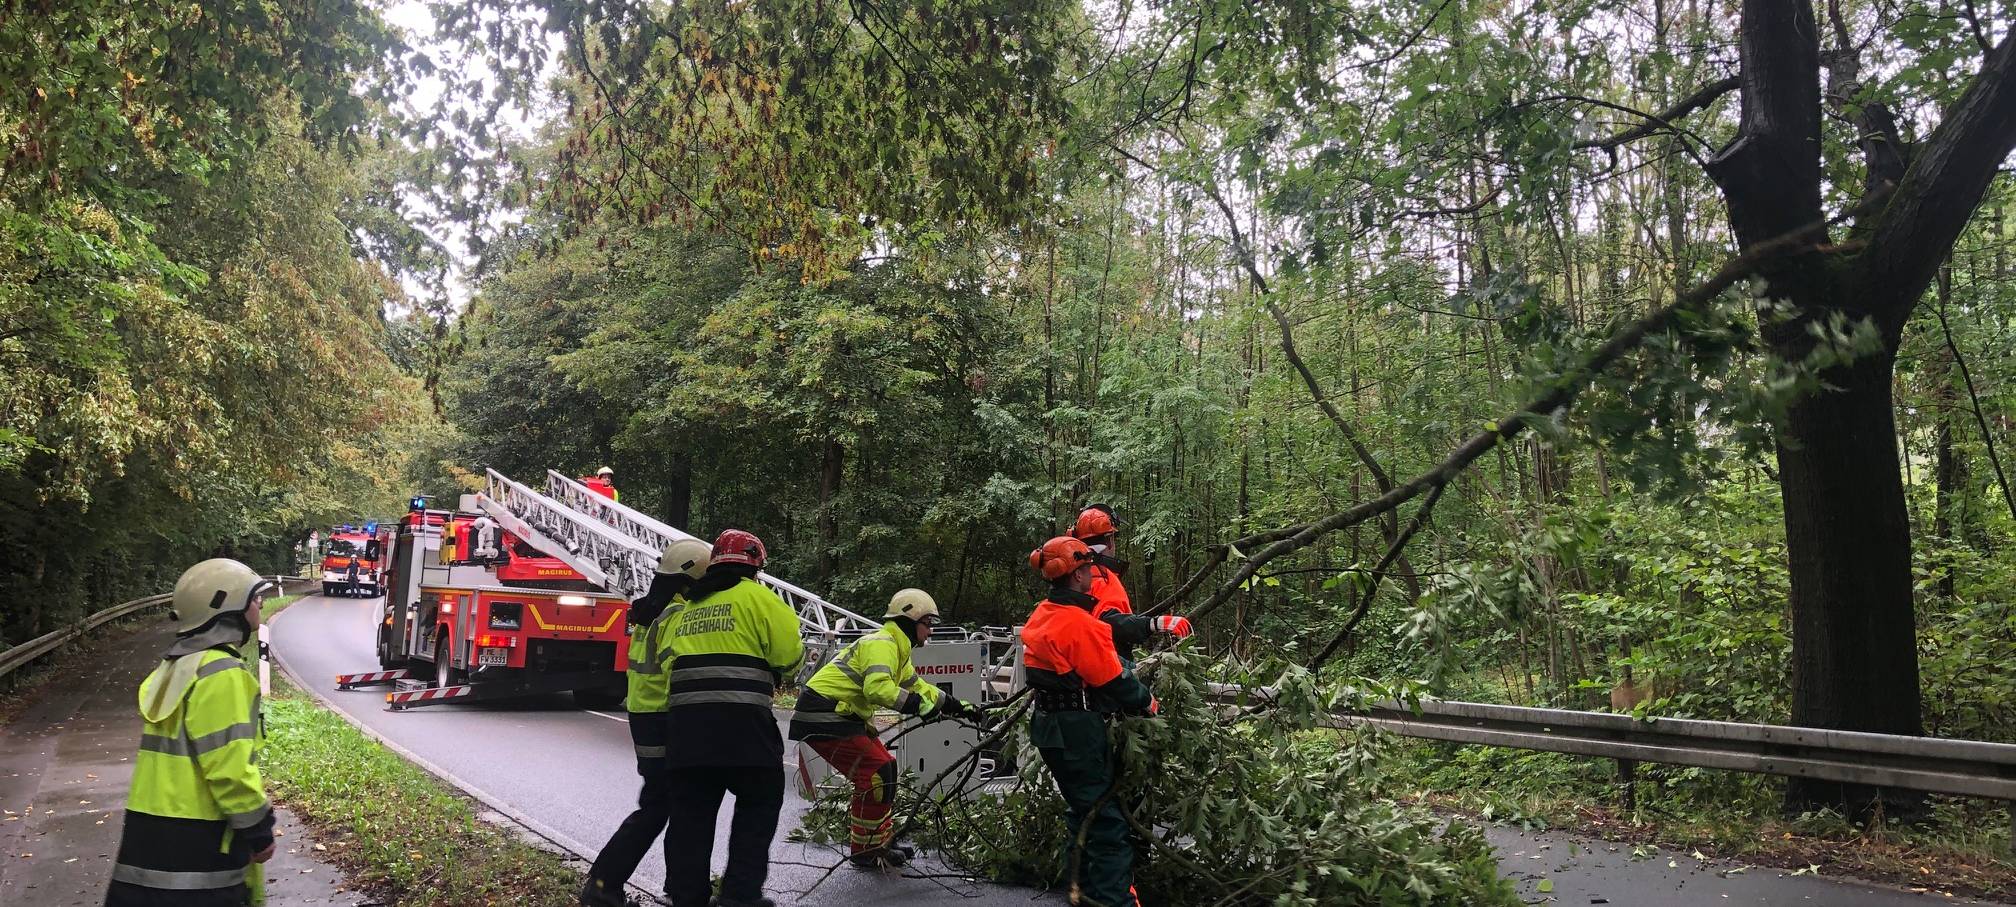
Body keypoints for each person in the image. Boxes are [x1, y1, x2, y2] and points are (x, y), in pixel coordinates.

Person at [106, 559, 279, 907]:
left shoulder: (177, 667)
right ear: (226, 605)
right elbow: (229, 770)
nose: (259, 605)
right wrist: (259, 830)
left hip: (148, 842)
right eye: (253, 598)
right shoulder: (222, 674)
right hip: (200, 853)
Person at [657, 529, 803, 907]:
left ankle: (687, 896)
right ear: (756, 566)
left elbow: (666, 661)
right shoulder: (762, 600)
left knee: (691, 815)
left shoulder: (688, 607)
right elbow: (789, 657)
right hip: (744, 729)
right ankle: (740, 895)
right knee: (758, 804)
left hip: (687, 731)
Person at [787, 589, 982, 869]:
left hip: (839, 714)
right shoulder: (883, 644)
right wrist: (916, 706)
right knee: (876, 772)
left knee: (886, 770)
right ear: (910, 620)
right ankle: (865, 849)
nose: (930, 633)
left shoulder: (897, 648)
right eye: (927, 625)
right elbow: (877, 688)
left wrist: (956, 706)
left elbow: (919, 687)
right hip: (824, 713)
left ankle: (879, 841)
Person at [1022, 536, 1158, 907]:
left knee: (1082, 810)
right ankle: (1114, 901)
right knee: (1107, 822)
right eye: (1086, 569)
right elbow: (1112, 679)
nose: (1091, 575)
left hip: (1050, 726)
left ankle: (1078, 890)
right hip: (1076, 730)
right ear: (1077, 573)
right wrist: (1147, 701)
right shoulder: (1077, 624)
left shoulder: (1043, 614)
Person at [580, 538, 714, 907]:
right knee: (664, 804)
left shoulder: (651, 610)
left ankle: (675, 888)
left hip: (646, 715)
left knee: (666, 802)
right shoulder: (675, 615)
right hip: (665, 717)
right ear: (692, 578)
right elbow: (679, 670)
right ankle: (604, 884)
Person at [1071, 505, 1190, 661]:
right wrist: (1155, 623)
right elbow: (1110, 623)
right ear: (1110, 540)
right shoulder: (1103, 577)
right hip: (1104, 666)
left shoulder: (1071, 575)